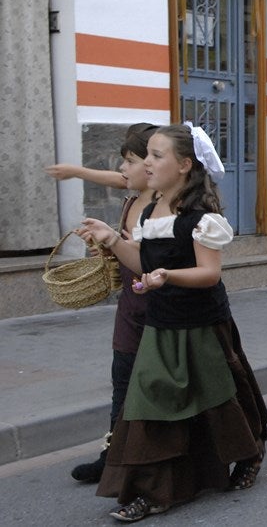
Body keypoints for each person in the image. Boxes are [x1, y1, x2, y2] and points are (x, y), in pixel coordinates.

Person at [79, 123, 267, 522]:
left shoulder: (201, 218)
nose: (146, 163)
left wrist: (168, 275)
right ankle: (156, 490)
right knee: (153, 404)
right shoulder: (149, 211)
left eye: (156, 155)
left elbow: (209, 274)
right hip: (161, 327)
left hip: (202, 328)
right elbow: (142, 263)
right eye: (146, 155)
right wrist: (112, 240)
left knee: (219, 402)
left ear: (184, 165)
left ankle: (249, 454)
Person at [49, 123, 158, 484]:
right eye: (123, 162)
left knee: (161, 384)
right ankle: (112, 453)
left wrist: (114, 241)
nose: (122, 170)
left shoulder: (161, 208)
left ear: (157, 165)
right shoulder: (132, 196)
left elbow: (156, 260)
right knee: (122, 379)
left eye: (130, 160)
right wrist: (77, 172)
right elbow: (120, 180)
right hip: (130, 307)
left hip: (159, 309)